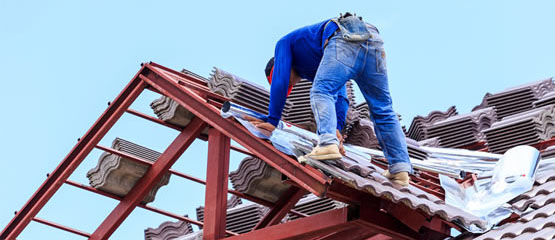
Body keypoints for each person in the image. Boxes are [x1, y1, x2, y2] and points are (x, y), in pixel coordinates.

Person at [250, 13, 412, 186]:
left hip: (344, 36)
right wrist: (336, 128)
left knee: (320, 91)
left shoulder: (283, 44)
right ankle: (400, 168)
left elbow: (280, 81)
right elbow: (342, 96)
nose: (291, 83)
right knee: (382, 108)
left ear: (278, 66)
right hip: (372, 40)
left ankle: (326, 144)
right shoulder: (315, 64)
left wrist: (272, 120)